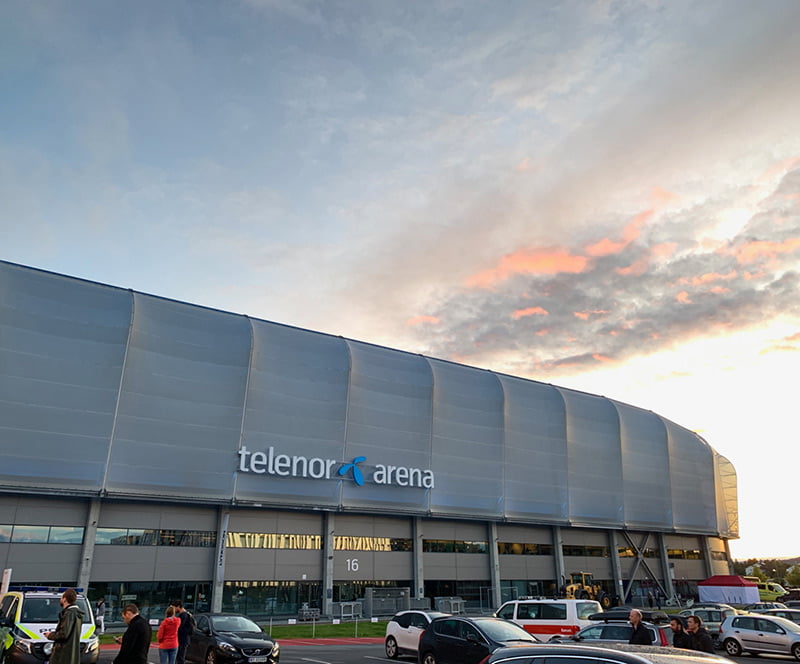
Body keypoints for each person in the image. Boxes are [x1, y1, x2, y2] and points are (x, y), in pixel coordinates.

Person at [45, 588, 84, 664]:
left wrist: (50, 635)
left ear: (65, 599)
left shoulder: (69, 614)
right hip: (71, 653)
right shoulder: (77, 613)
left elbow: (64, 634)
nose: (60, 599)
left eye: (61, 597)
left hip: (63, 654)